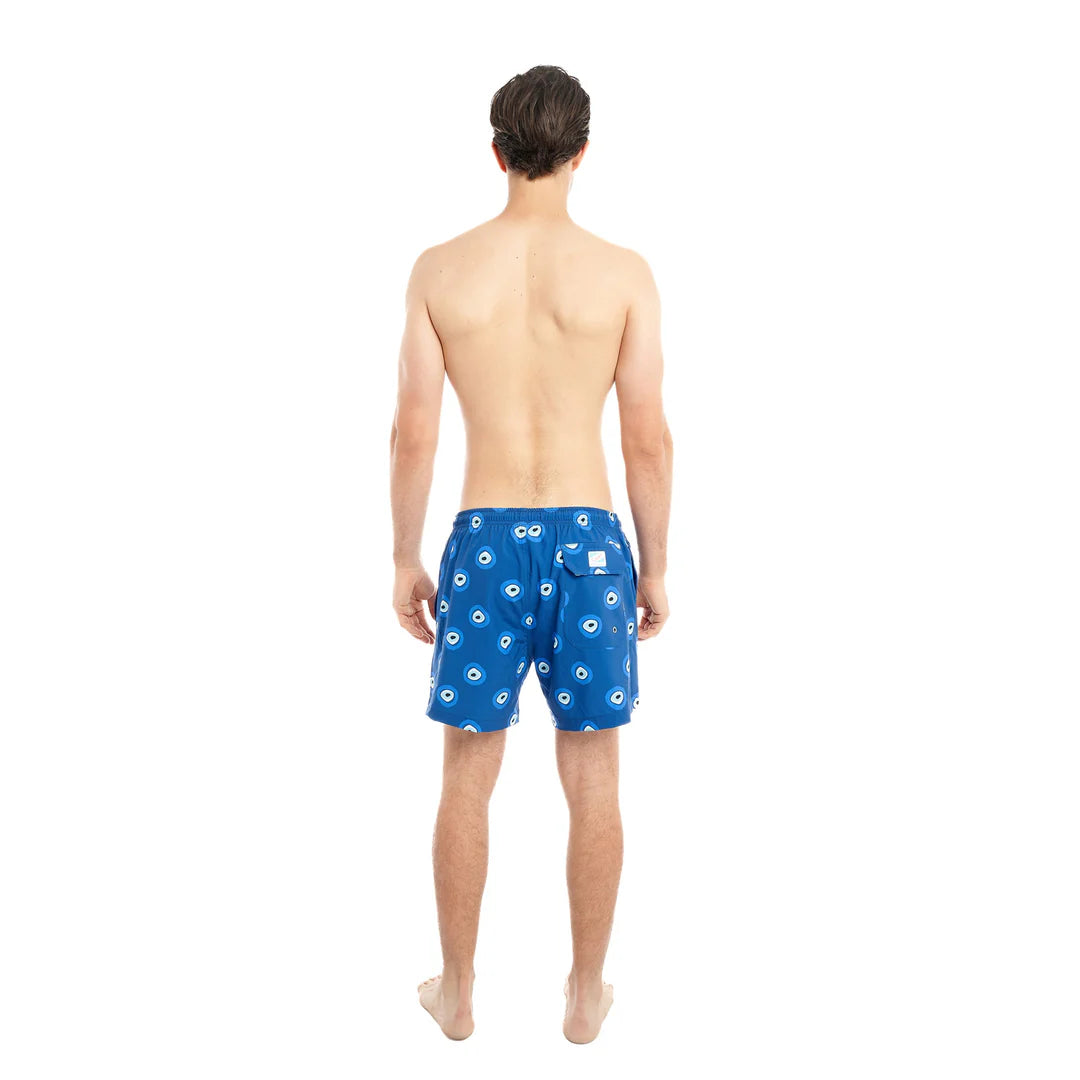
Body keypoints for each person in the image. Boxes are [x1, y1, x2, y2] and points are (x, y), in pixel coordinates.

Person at [389, 65, 673, 1044]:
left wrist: (404, 556)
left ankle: (459, 993)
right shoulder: (624, 274)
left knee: (466, 776)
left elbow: (413, 431)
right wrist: (656, 565)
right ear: (582, 153)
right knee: (595, 778)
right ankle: (585, 996)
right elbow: (648, 438)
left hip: (483, 543)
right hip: (591, 544)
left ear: (497, 152)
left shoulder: (440, 271)